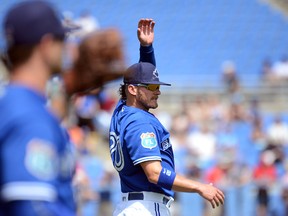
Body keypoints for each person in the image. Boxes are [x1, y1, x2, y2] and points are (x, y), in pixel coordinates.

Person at [0, 1, 125, 215]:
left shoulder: (15, 103)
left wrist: (69, 90)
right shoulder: (30, 117)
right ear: (46, 45)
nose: (68, 47)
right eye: (62, 40)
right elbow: (32, 207)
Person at [109, 21, 225, 216]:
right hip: (146, 208)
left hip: (133, 206)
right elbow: (154, 173)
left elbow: (141, 78)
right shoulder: (139, 122)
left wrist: (146, 48)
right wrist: (199, 187)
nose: (158, 91)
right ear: (132, 90)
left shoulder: (122, 111)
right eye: (153, 87)